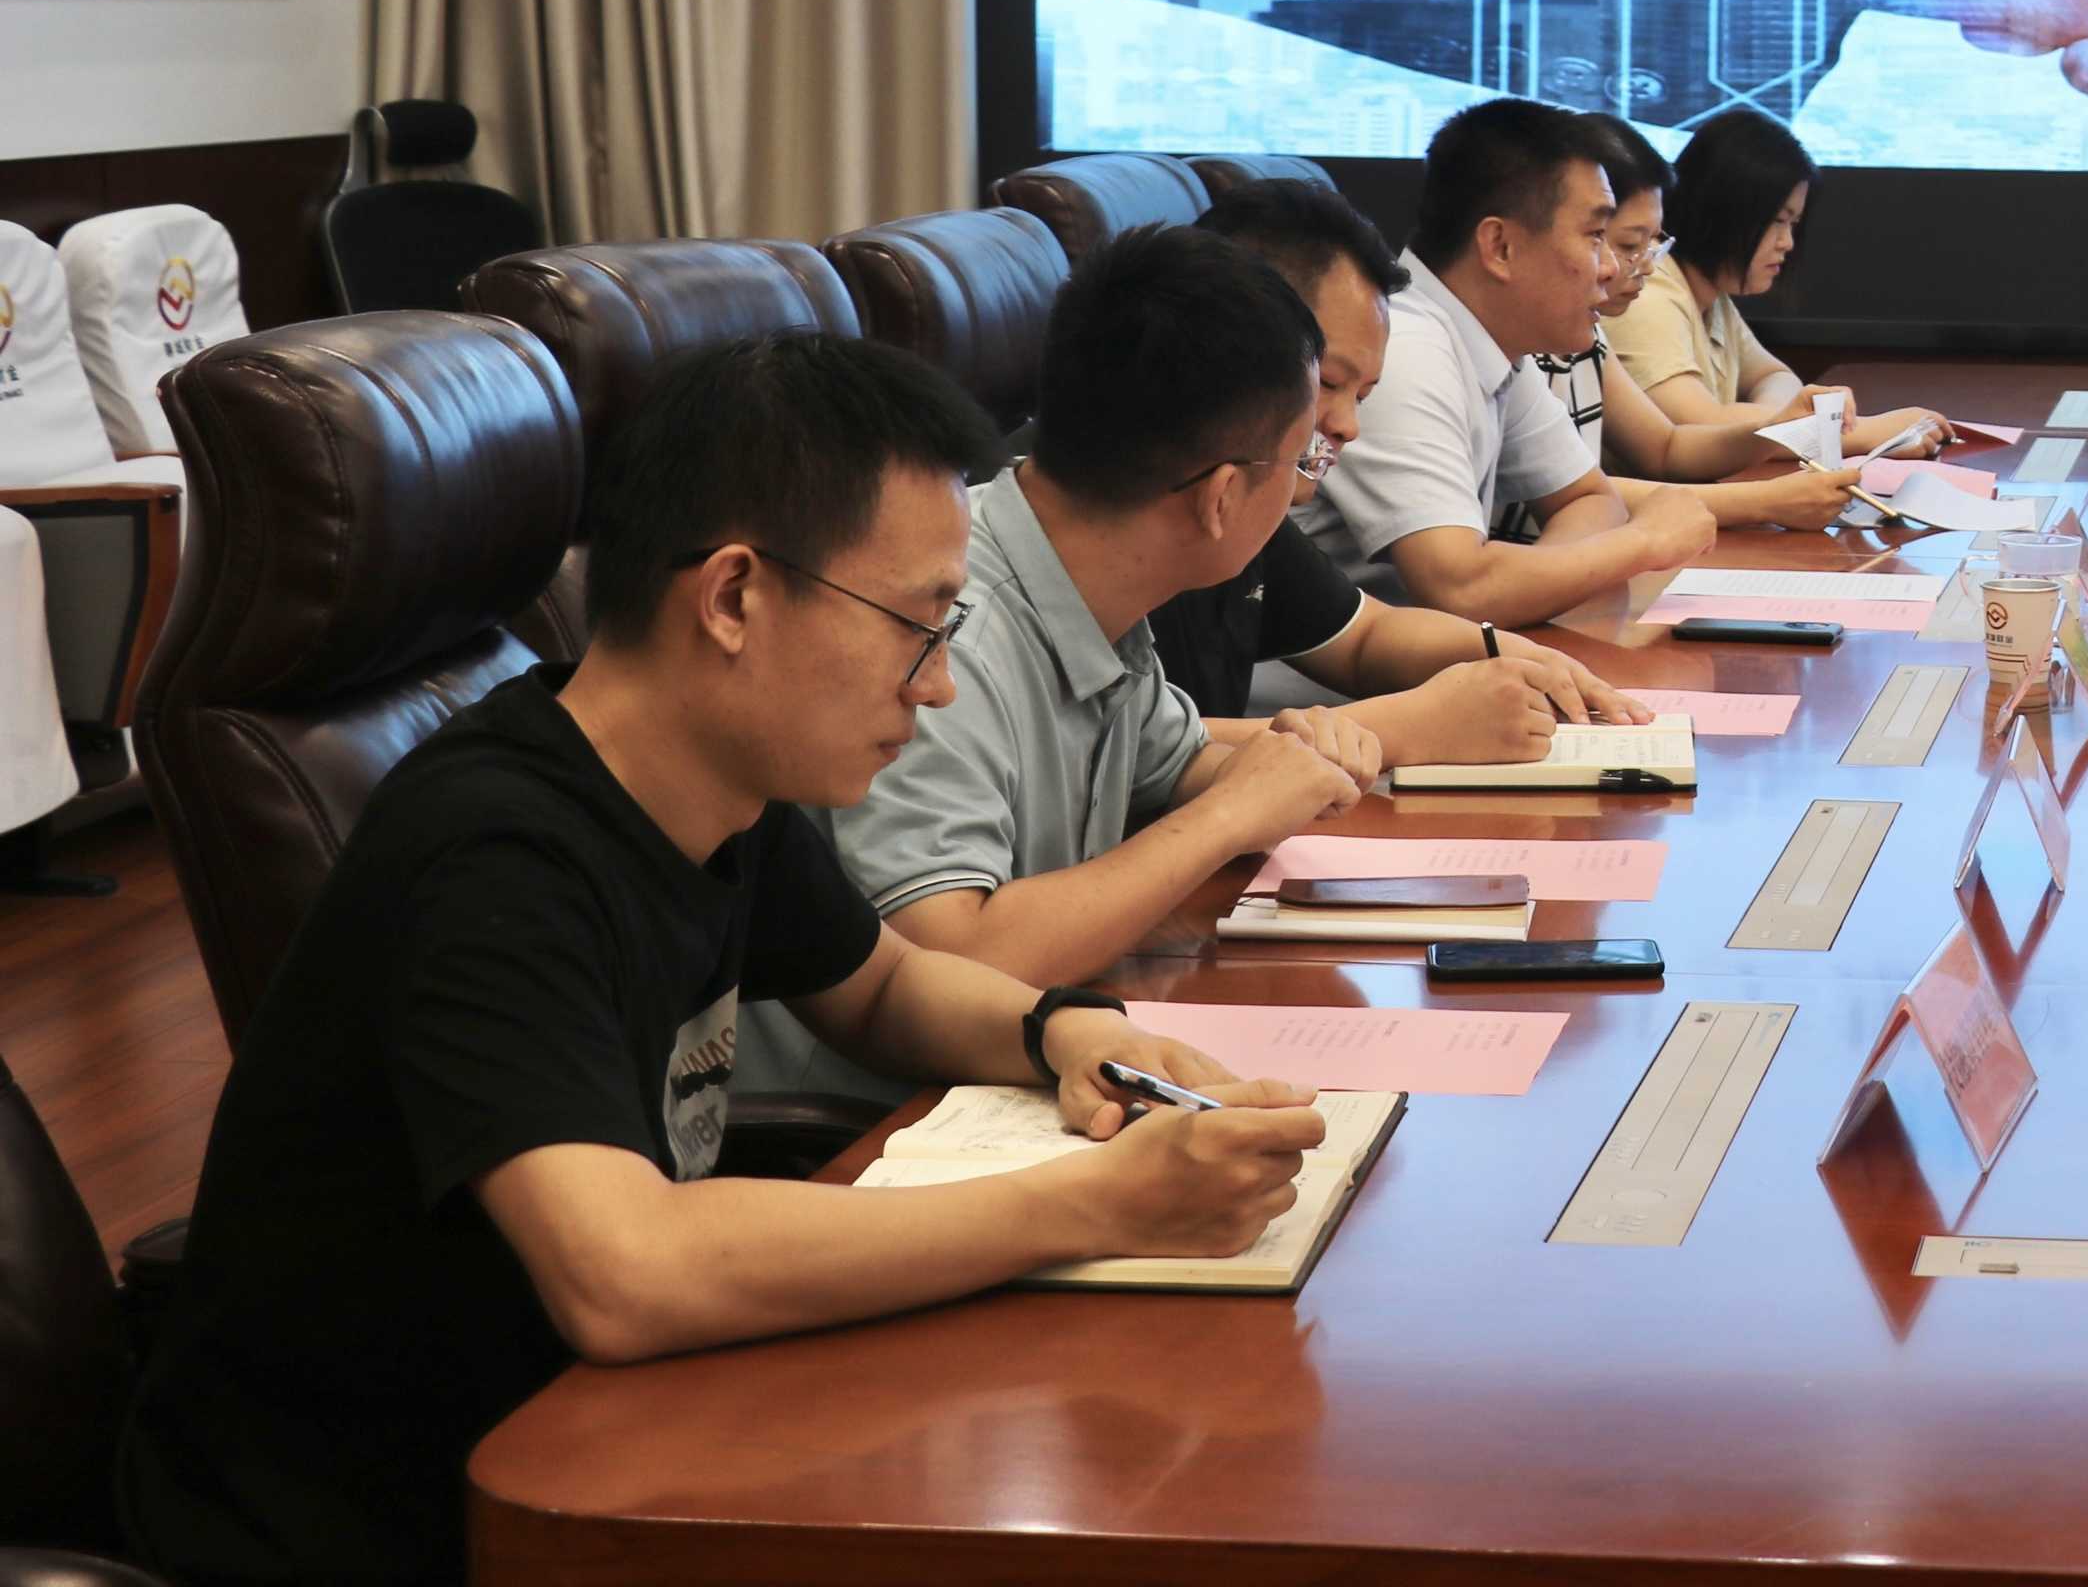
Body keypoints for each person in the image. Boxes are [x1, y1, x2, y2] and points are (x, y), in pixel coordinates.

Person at [117, 335, 1323, 1587]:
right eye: (917, 624)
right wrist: (1093, 1204)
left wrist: (1069, 1030)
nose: (940, 686)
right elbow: (623, 1270)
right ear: (735, 596)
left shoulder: (713, 786)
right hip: (390, 1520)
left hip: (609, 1434)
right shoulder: (493, 855)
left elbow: (886, 984)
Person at [748, 226, 1465, 1106]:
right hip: (873, 1122)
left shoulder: (1079, 571)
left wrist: (1292, 762)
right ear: (1222, 497)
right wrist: (1233, 812)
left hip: (1030, 1067)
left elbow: (1178, 761)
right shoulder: (949, 631)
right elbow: (948, 954)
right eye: (1297, 457)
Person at [1176, 178, 1641, 728]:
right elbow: (1152, 753)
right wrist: (1409, 726)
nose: (1348, 427)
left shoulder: (1252, 509)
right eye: (1328, 383)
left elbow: (1366, 637)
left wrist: (1525, 660)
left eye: (1361, 396)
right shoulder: (1132, 516)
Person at [1300, 97, 1721, 625]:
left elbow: (1592, 499)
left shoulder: (1491, 339)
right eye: (1595, 236)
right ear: (1499, 247)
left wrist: (1524, 586)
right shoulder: (1401, 347)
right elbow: (1463, 589)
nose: (1611, 268)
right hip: (1330, 675)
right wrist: (1645, 543)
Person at [1532, 113, 1941, 533]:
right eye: (1626, 243)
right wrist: (1775, 487)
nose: (1646, 266)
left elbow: (1667, 445)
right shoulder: (1614, 312)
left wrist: (1782, 428)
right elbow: (1587, 491)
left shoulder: (1587, 332)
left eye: (1652, 241)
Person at [1613, 106, 1951, 452]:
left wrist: (1780, 421)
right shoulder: (1646, 292)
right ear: (1723, 209)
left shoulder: (1710, 296)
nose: (1787, 243)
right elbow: (1700, 427)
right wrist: (1869, 433)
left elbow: (1775, 376)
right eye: (1777, 220)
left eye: (1793, 224)